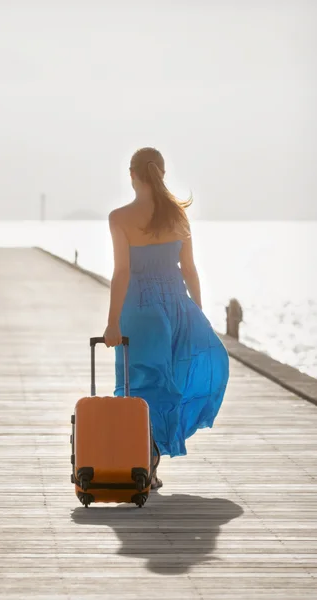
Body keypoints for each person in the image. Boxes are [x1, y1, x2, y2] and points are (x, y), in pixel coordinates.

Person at [103, 147, 229, 489]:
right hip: (176, 308)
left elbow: (122, 273)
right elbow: (189, 269)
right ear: (161, 173)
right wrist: (197, 313)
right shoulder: (178, 215)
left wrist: (112, 322)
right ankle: (151, 460)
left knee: (137, 385)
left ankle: (144, 461)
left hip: (140, 311)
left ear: (132, 175)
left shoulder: (119, 217)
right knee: (169, 381)